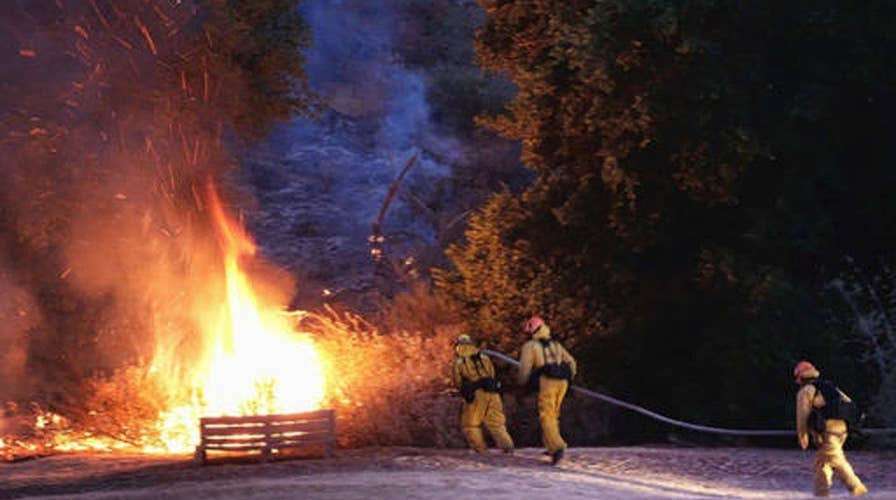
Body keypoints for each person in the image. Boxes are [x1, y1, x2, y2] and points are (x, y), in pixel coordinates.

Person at [793, 360, 868, 497]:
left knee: (836, 458)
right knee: (822, 464)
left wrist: (803, 437)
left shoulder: (805, 391)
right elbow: (848, 403)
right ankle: (821, 493)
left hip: (828, 430)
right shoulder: (829, 386)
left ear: (800, 377)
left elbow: (802, 417)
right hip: (842, 429)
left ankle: (857, 488)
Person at [517, 316, 576, 465]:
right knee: (554, 414)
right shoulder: (556, 344)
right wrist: (569, 379)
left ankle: (557, 447)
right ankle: (550, 446)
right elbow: (571, 363)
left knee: (546, 415)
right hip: (562, 383)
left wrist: (522, 384)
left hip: (547, 382)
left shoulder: (530, 346)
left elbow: (525, 369)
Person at [452, 333, 514, 453]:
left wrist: (465, 391)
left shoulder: (459, 362)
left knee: (470, 425)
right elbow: (492, 374)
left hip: (475, 395)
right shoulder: (484, 358)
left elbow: (458, 381)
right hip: (492, 393)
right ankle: (507, 449)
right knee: (497, 424)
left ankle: (480, 451)